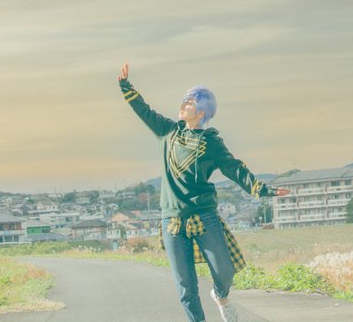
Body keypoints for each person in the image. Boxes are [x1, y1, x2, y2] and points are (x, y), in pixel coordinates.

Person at [117, 63, 289, 322]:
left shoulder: (211, 142)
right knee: (186, 287)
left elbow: (234, 168)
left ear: (200, 112)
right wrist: (126, 85)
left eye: (189, 102)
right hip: (172, 221)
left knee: (224, 271)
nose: (182, 104)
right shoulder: (169, 131)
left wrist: (262, 189)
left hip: (204, 216)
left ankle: (221, 296)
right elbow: (144, 110)